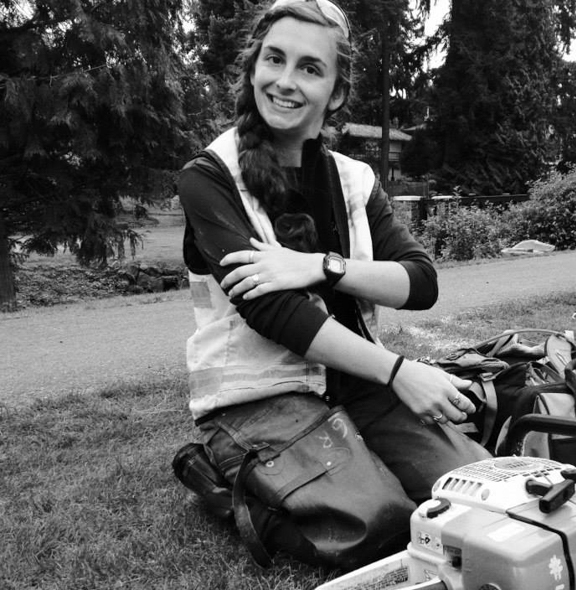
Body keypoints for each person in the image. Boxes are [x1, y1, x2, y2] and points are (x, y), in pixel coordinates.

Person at [174, 0, 491, 570]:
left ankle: (355, 457)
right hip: (259, 400)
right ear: (253, 68)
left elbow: (420, 283)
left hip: (358, 385)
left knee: (474, 498)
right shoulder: (210, 176)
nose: (285, 82)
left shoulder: (355, 180)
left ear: (337, 93)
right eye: (275, 59)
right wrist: (400, 371)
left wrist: (323, 265)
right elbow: (278, 316)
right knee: (383, 525)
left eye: (309, 68)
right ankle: (219, 483)